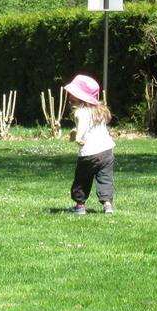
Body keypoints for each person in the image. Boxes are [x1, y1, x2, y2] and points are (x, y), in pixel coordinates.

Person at [63, 74, 115, 215]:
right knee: (105, 178)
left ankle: (79, 206)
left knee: (82, 180)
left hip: (89, 154)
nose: (70, 96)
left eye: (73, 94)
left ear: (81, 96)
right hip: (106, 152)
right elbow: (92, 127)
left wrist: (78, 136)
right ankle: (107, 205)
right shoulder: (99, 110)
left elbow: (84, 125)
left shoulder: (81, 112)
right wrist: (76, 132)